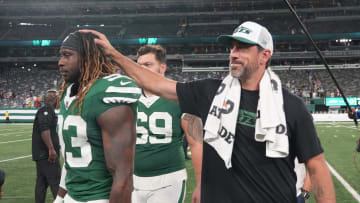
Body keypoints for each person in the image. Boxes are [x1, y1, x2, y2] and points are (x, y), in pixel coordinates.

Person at [80, 21, 336, 202]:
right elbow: (155, 83)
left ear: (264, 55)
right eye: (232, 47)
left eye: (243, 47)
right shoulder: (209, 92)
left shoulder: (291, 106)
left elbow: (316, 166)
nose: (233, 53)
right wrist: (114, 54)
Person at [57, 31, 141, 202]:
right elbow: (71, 158)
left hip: (98, 198)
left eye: (68, 55)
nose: (60, 62)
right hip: (72, 195)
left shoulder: (107, 94)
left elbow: (122, 176)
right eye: (61, 56)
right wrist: (61, 195)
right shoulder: (70, 91)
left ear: (87, 57)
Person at [132, 45, 202, 203]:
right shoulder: (130, 98)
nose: (141, 69)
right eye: (139, 65)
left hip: (169, 182)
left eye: (148, 65)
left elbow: (196, 143)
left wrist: (200, 183)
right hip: (136, 182)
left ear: (162, 67)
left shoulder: (182, 96)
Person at [32, 90, 61, 203]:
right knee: (55, 182)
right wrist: (51, 149)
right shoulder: (46, 111)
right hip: (46, 155)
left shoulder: (45, 110)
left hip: (41, 154)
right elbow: (44, 129)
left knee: (41, 183)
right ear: (54, 100)